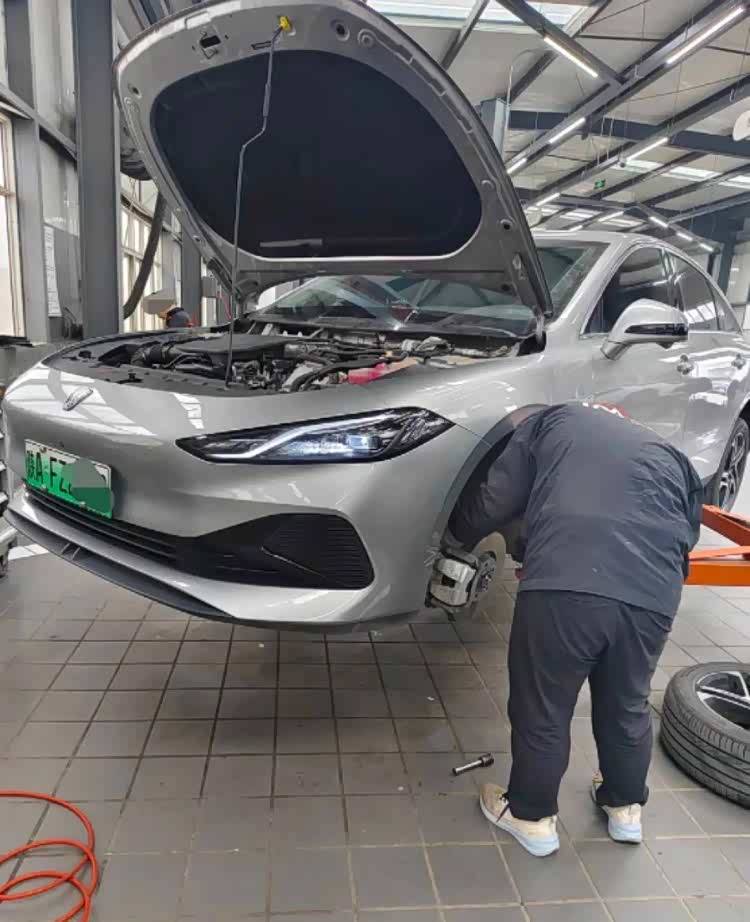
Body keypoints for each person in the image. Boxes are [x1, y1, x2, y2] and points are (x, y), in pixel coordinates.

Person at [449, 401, 703, 858]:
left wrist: (452, 534)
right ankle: (625, 807)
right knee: (627, 702)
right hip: (654, 594)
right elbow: (687, 533)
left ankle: (530, 816)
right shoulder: (669, 453)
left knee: (544, 705)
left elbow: (496, 497)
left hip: (566, 583)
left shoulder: (547, 421)